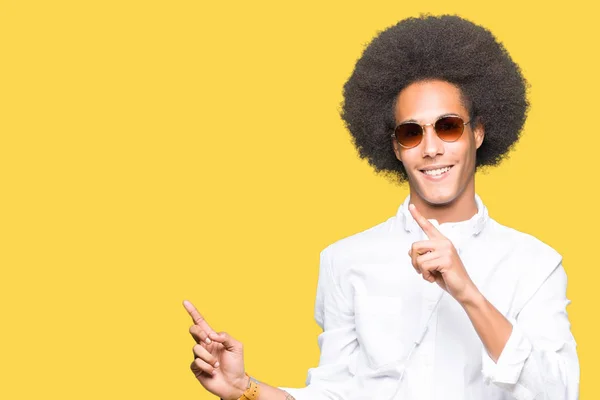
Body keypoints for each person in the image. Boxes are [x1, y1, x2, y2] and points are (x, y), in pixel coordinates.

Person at [183, 14, 580, 400]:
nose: (431, 148)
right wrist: (244, 390)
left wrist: (469, 293)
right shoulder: (344, 260)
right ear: (395, 147)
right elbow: (334, 394)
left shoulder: (535, 263)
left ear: (476, 132)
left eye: (448, 126)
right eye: (412, 132)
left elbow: (559, 393)